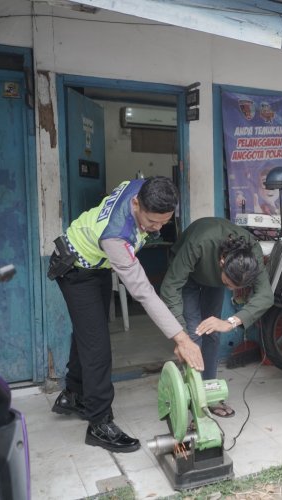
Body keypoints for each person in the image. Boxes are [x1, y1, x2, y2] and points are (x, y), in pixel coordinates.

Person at [48, 176, 204, 453]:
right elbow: (143, 292)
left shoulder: (142, 186)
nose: (156, 228)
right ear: (136, 203)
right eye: (151, 222)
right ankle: (99, 423)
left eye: (163, 222)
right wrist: (181, 338)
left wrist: (152, 223)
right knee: (97, 347)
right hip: (74, 267)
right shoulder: (115, 237)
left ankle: (74, 394)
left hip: (96, 266)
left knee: (89, 333)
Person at [160, 217, 274, 417]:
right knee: (193, 334)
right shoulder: (200, 243)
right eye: (229, 285)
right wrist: (180, 334)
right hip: (187, 277)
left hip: (213, 280)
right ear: (222, 262)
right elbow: (170, 286)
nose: (231, 290)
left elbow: (265, 296)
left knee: (212, 331)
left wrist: (231, 322)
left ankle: (210, 394)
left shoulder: (252, 254)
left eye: (236, 287)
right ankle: (193, 400)